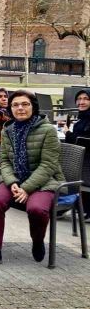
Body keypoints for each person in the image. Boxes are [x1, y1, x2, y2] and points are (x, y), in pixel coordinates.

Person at [0, 90, 64, 266]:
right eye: (15, 105)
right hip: (14, 180)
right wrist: (13, 182)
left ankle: (38, 241)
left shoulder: (48, 131)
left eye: (25, 104)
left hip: (44, 181)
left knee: (36, 209)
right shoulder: (8, 129)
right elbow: (5, 161)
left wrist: (27, 188)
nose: (20, 108)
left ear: (33, 107)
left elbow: (48, 166)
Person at [64, 88, 90, 220]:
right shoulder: (82, 120)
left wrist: (67, 132)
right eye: (79, 99)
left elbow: (78, 143)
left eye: (86, 99)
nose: (81, 102)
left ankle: (65, 203)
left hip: (84, 169)